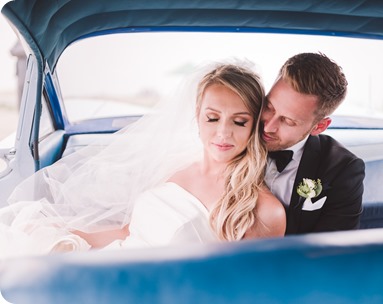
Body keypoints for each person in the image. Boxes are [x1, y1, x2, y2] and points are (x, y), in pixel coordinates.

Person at [0, 63, 285, 258]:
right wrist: (68, 235)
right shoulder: (176, 167)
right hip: (114, 261)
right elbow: (128, 233)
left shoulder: (261, 208)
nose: (223, 133)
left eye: (239, 121)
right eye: (212, 118)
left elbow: (241, 286)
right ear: (197, 116)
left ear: (254, 127)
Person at [262, 52, 365, 234]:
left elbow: (334, 250)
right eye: (268, 107)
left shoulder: (342, 170)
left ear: (319, 127)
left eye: (288, 121)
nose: (268, 127)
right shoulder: (234, 138)